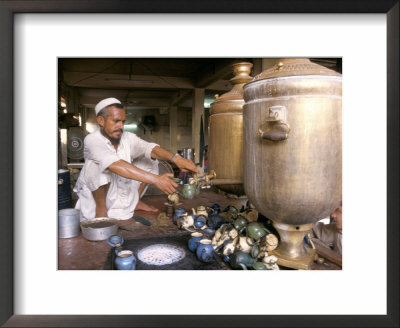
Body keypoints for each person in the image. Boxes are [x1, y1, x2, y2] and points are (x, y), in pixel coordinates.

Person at [73, 98, 198, 221]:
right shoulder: (92, 139)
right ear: (101, 120)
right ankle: (101, 211)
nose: (121, 126)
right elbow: (114, 164)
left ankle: (135, 201)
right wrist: (156, 179)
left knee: (150, 159)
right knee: (95, 166)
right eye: (116, 121)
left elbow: (150, 148)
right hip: (98, 196)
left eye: (123, 122)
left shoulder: (127, 137)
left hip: (119, 188)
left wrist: (177, 159)